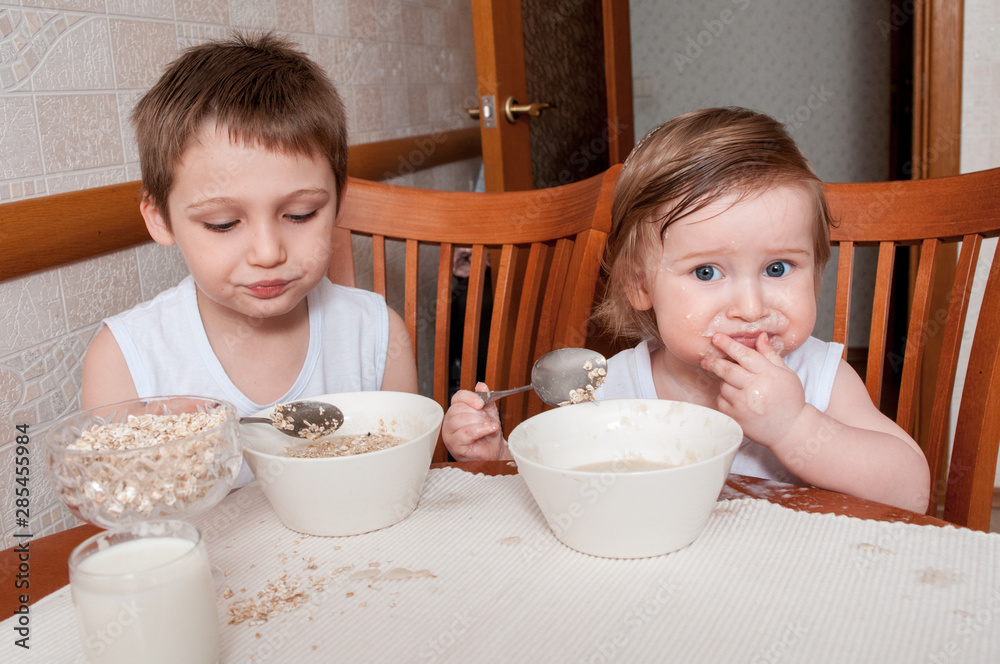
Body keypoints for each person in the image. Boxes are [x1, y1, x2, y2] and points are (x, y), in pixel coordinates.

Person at [442, 106, 930, 513]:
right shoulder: (611, 390)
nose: (750, 307)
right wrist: (497, 457)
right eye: (706, 272)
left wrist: (797, 424)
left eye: (778, 269)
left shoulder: (820, 378)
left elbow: (911, 491)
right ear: (639, 285)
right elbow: (560, 496)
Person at [81, 32, 419, 484]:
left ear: (338, 203)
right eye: (223, 223)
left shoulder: (375, 335)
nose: (268, 252)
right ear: (161, 218)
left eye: (300, 214)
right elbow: (105, 503)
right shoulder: (127, 358)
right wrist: (146, 465)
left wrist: (468, 452)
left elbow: (404, 477)